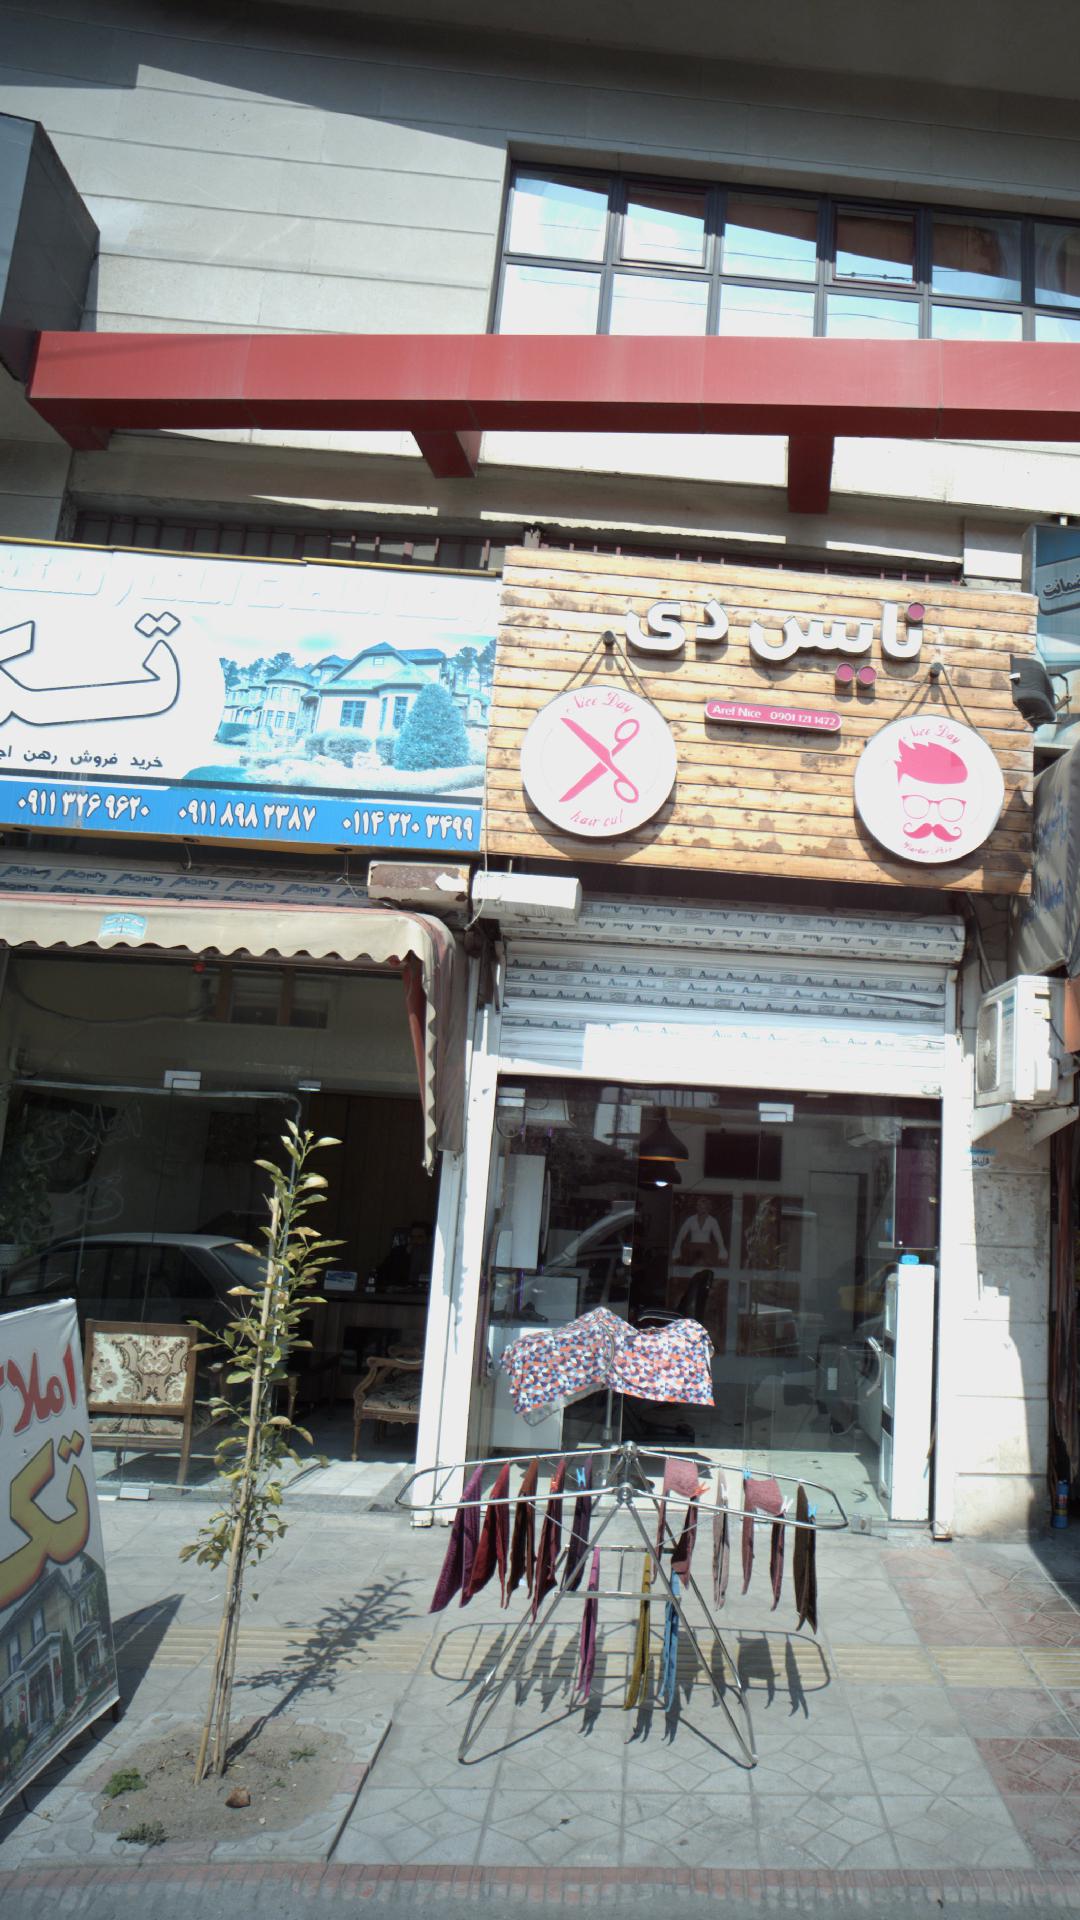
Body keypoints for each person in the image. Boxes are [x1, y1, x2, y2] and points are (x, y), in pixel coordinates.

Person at [670, 1196, 728, 1325]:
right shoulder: (690, 1220)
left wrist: (722, 1252)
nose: (702, 1209)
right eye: (700, 1206)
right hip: (692, 1250)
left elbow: (718, 1237)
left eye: (704, 1206)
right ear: (697, 1207)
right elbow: (681, 1235)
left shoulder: (712, 1221)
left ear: (708, 1208)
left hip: (706, 1250)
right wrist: (676, 1250)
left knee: (704, 1274)